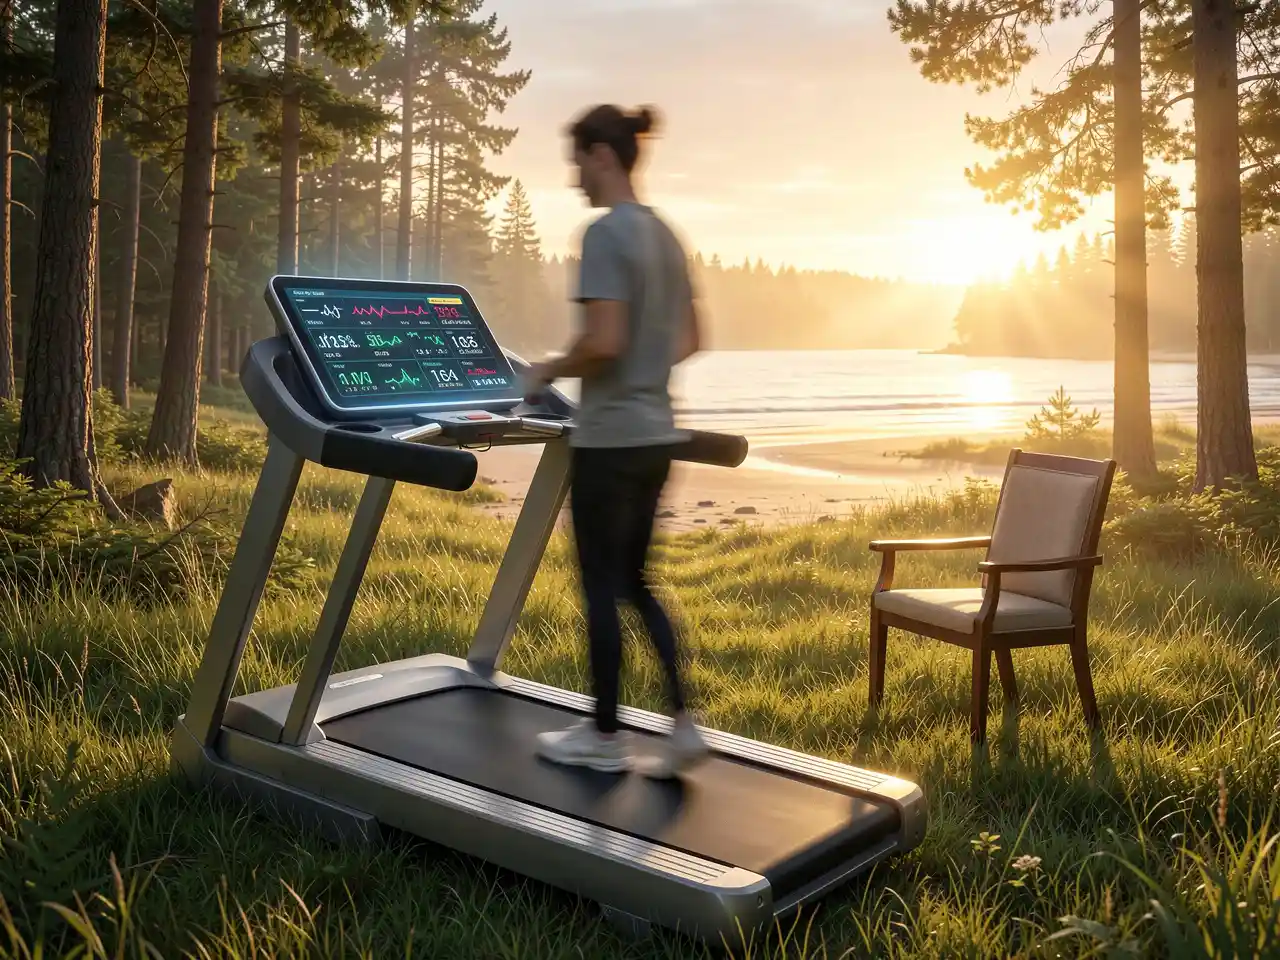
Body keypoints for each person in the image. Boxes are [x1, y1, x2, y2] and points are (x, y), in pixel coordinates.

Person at [523, 103, 708, 776]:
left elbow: (603, 340)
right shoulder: (665, 235)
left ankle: (603, 737)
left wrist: (549, 368)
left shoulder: (604, 234)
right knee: (637, 579)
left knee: (600, 585)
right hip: (658, 435)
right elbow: (690, 339)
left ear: (603, 154)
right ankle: (683, 724)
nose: (574, 177)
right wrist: (645, 375)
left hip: (608, 441)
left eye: (577, 160)